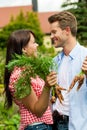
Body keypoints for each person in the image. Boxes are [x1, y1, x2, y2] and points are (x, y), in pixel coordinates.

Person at [4, 29, 57, 130]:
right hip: (37, 126)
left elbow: (41, 101)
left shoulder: (28, 70)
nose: (37, 45)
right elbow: (37, 110)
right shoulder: (19, 76)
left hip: (42, 125)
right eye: (33, 42)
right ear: (24, 49)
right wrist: (47, 86)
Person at [48, 11, 87, 130]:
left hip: (78, 125)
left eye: (54, 32)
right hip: (56, 122)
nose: (51, 36)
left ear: (67, 30)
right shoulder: (54, 61)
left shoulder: (85, 56)